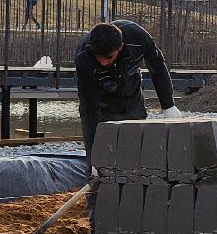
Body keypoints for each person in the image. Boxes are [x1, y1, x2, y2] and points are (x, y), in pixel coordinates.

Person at [75, 20, 181, 156]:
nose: (104, 62)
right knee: (105, 147)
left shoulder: (139, 38)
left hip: (131, 91)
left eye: (108, 57)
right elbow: (88, 106)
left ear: (121, 47)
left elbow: (158, 68)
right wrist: (94, 153)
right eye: (99, 58)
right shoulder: (83, 56)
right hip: (101, 98)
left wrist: (168, 105)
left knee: (135, 146)